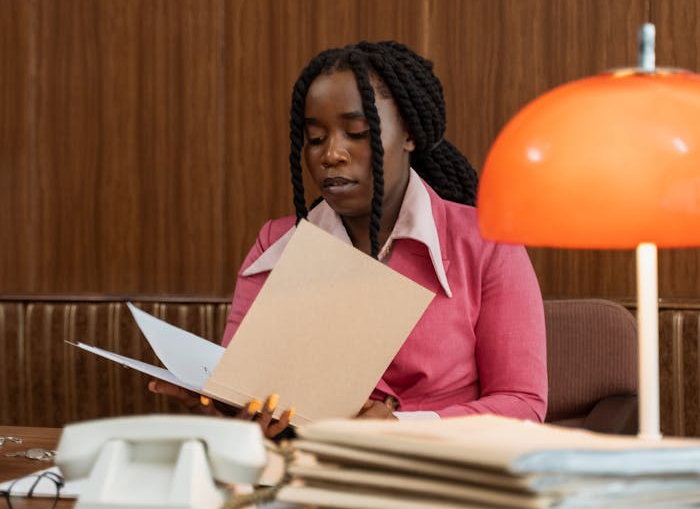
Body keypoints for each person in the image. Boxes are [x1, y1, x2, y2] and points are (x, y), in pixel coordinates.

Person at [151, 40, 547, 433]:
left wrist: (401, 427)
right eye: (316, 138)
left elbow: (523, 403)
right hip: (305, 474)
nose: (331, 155)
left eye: (356, 132)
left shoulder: (486, 245)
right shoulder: (275, 246)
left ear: (408, 133)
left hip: (437, 480)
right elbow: (244, 393)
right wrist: (219, 405)